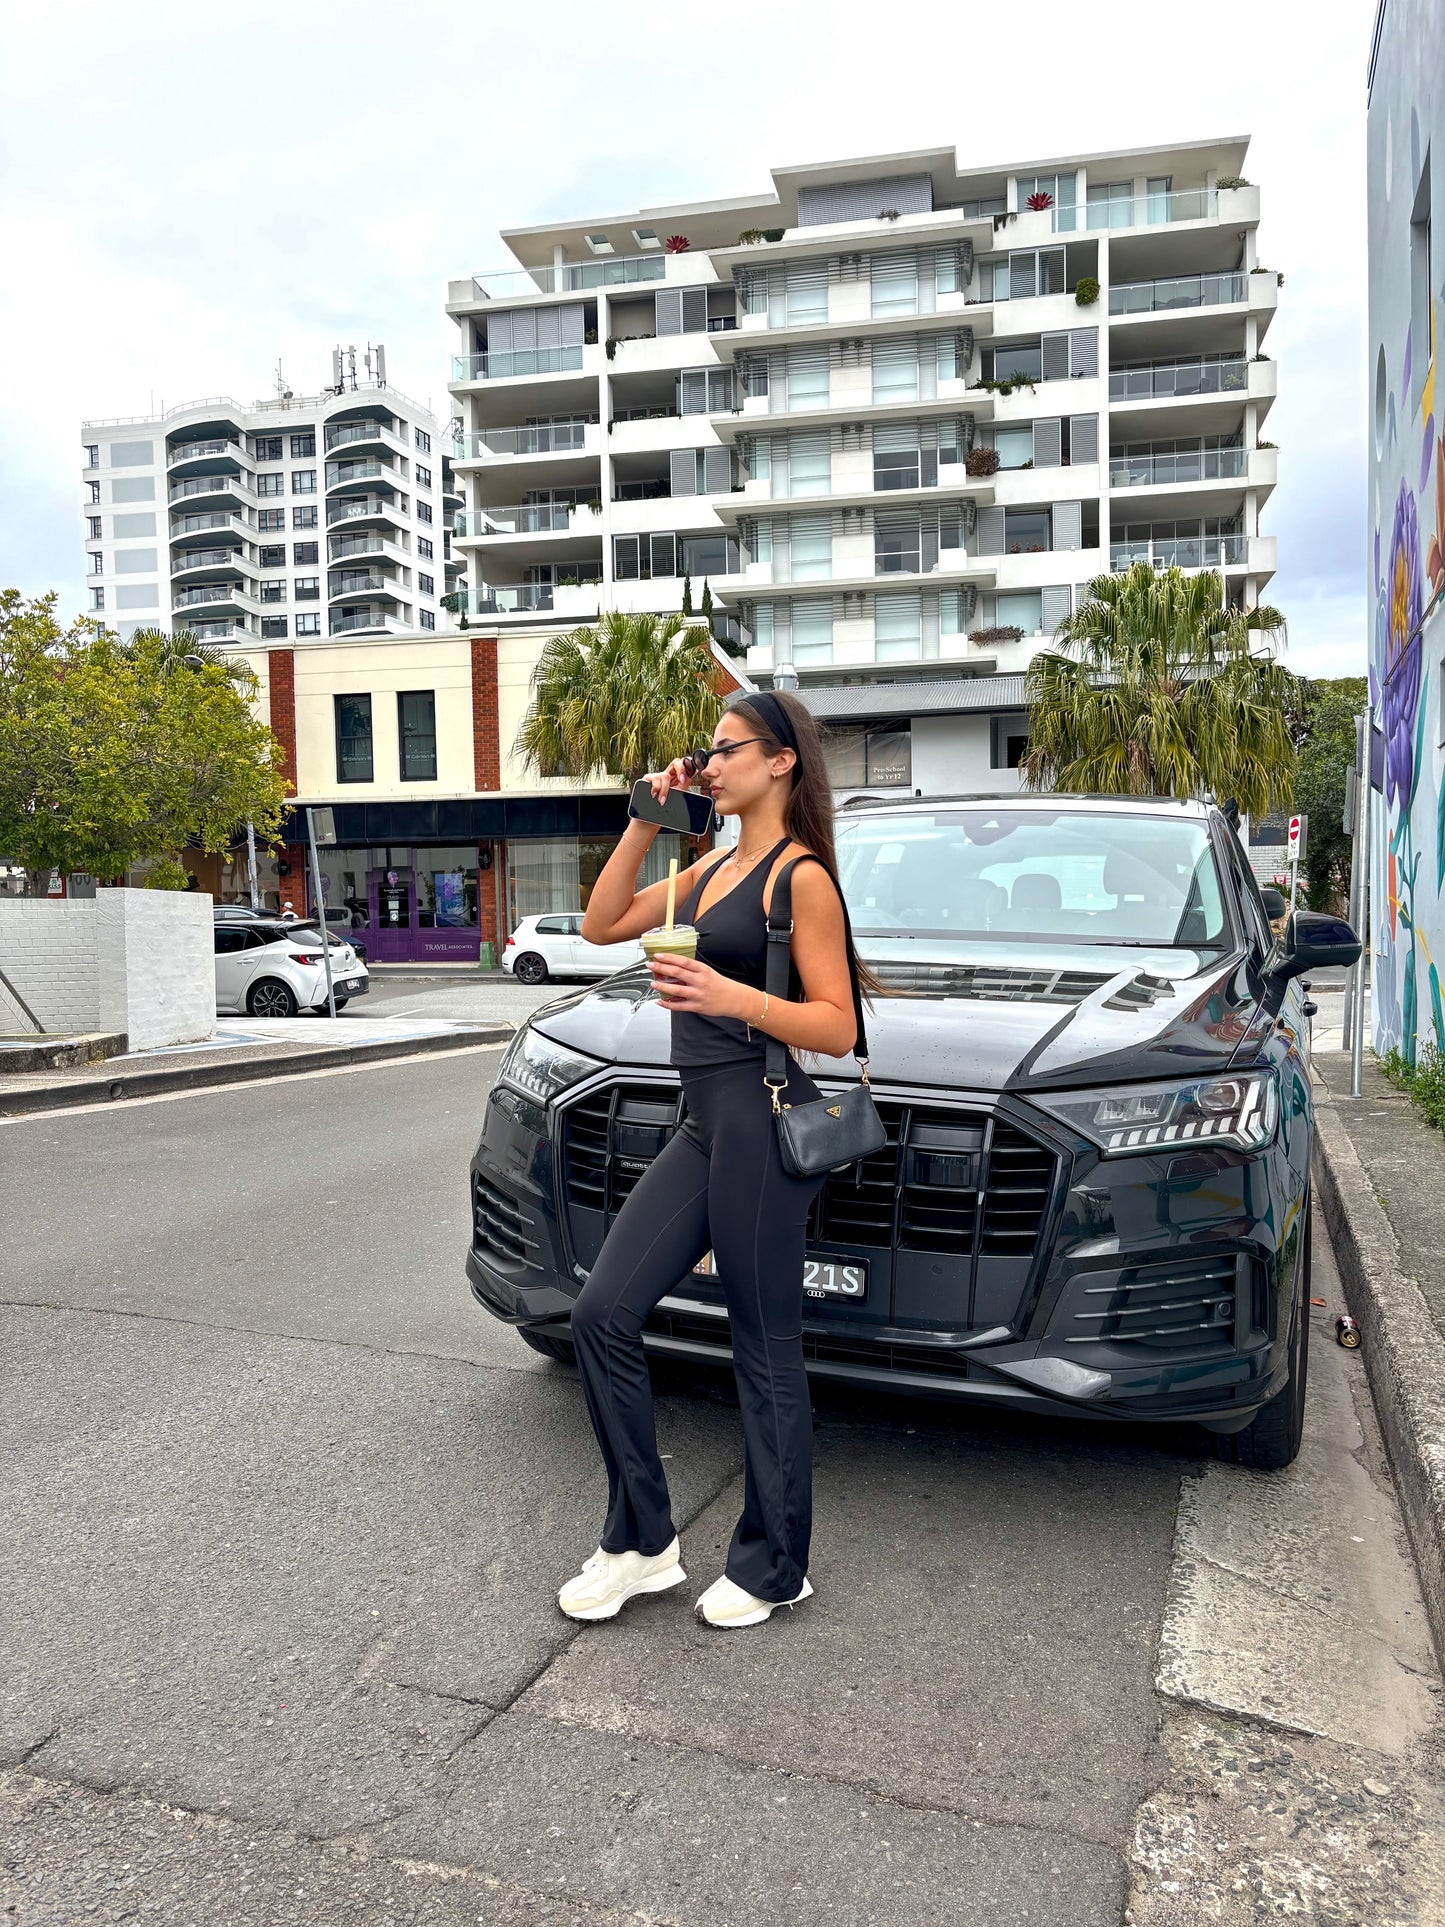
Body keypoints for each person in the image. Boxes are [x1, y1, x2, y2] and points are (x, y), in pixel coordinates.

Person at [558, 689, 874, 1630]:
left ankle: (778, 1563)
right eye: (707, 751)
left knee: (762, 1345)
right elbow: (599, 924)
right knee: (601, 1312)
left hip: (764, 1125)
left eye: (726, 749)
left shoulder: (798, 877)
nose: (710, 763)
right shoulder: (703, 871)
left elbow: (836, 1022)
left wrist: (728, 994)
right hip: (702, 1126)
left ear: (779, 761)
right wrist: (646, 820)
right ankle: (643, 1541)